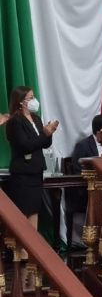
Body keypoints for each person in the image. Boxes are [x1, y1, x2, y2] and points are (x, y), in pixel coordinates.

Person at [4, 86, 59, 230]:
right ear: (21, 102)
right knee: (23, 213)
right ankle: (21, 251)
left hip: (36, 172)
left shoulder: (36, 118)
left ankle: (31, 251)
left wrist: (49, 133)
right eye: (30, 98)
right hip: (23, 174)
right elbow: (25, 146)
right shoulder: (15, 121)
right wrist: (44, 135)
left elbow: (45, 144)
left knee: (34, 211)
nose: (34, 101)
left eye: (34, 97)